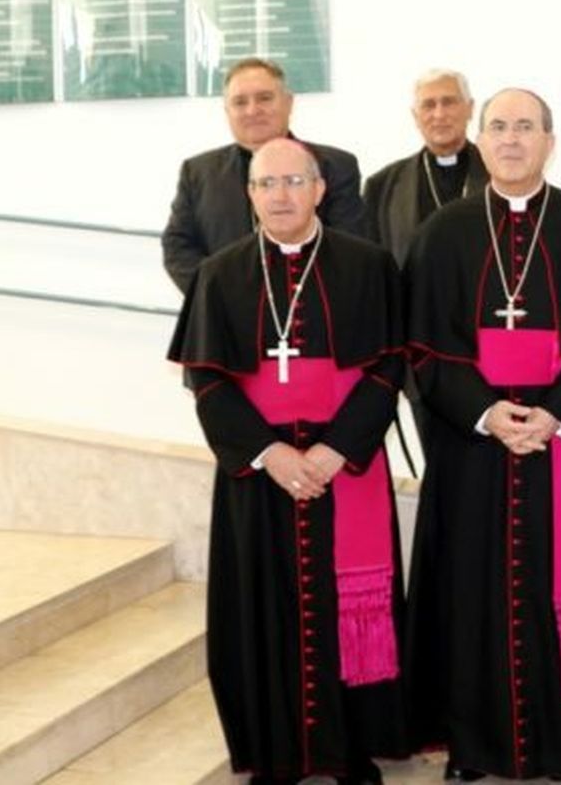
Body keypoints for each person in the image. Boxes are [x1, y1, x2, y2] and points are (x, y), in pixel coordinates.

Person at [402, 88, 561, 780]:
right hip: (473, 443)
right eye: (497, 126)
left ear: (549, 142)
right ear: (480, 140)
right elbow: (423, 346)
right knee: (469, 590)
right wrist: (486, 412)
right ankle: (473, 744)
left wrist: (557, 411)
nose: (510, 139)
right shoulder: (443, 231)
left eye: (524, 127)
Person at [167, 138, 406, 784]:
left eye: (294, 181)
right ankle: (274, 753)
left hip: (343, 466)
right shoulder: (220, 273)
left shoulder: (368, 265)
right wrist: (270, 453)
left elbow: (388, 368)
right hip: (259, 474)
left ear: (319, 189)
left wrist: (335, 449)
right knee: (263, 607)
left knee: (345, 603)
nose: (280, 195)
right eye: (266, 183)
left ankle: (348, 749)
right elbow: (208, 381)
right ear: (249, 194)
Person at [163, 57, 364, 294]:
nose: (252, 111)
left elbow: (348, 246)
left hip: (313, 305)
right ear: (227, 111)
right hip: (223, 309)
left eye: (264, 98)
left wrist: (290, 297)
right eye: (240, 102)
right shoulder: (198, 172)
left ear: (288, 103)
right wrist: (221, 296)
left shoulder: (335, 166)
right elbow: (178, 247)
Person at [362, 69, 488, 267]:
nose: (439, 114)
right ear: (415, 116)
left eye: (449, 102)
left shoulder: (497, 173)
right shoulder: (382, 186)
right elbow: (373, 263)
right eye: (428, 105)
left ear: (470, 109)